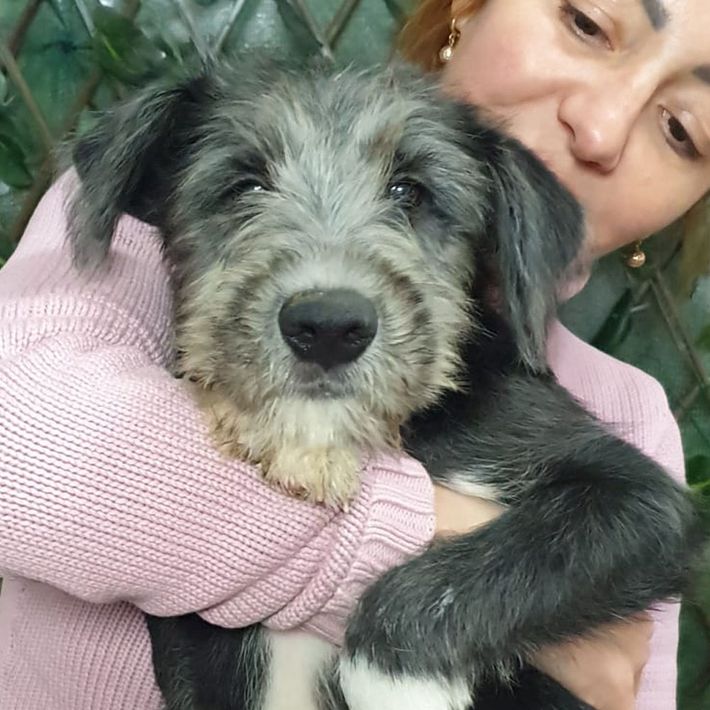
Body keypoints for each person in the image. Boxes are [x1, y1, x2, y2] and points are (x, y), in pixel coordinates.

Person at [0, 0, 706, 708]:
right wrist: (412, 544)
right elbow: (30, 452)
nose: (601, 127)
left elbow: (624, 668)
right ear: (466, 8)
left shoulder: (629, 418)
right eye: (587, 22)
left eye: (684, 129)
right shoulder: (130, 233)